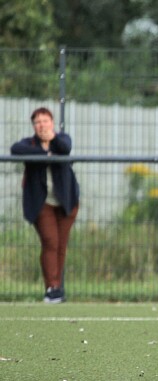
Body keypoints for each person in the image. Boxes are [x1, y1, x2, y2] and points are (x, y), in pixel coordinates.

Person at [11, 107, 80, 304]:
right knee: (50, 241)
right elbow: (15, 149)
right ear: (34, 126)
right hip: (42, 203)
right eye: (37, 122)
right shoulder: (29, 144)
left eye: (45, 121)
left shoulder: (62, 139)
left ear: (52, 123)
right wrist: (44, 153)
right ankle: (52, 288)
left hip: (67, 202)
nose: (42, 125)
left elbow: (65, 147)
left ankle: (57, 288)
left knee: (61, 245)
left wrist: (52, 142)